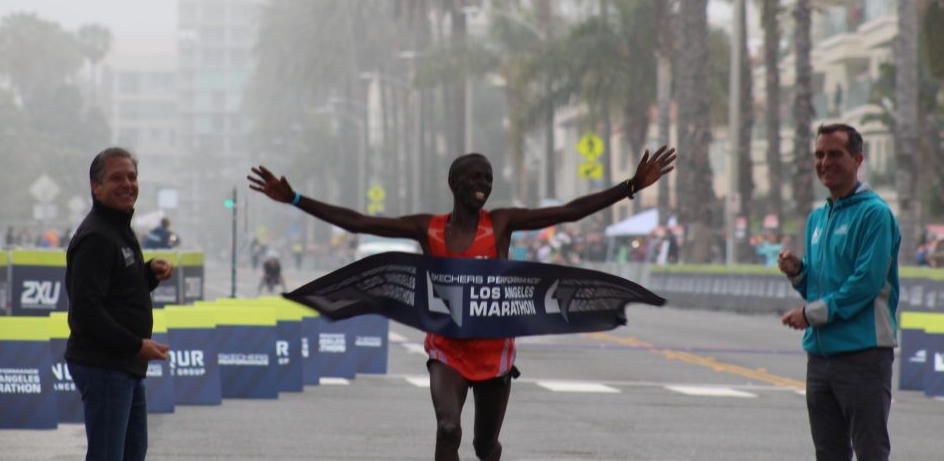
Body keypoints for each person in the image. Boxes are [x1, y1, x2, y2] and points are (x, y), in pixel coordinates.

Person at [249, 145, 676, 461]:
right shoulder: (427, 228)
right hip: (447, 349)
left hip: (496, 352)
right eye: (474, 178)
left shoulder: (503, 223)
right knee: (448, 428)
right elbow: (360, 221)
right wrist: (296, 200)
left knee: (484, 446)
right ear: (454, 184)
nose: (482, 186)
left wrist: (631, 186)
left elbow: (568, 212)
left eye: (487, 179)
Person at [777, 123, 900, 461]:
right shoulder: (818, 218)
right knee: (828, 452)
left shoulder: (875, 214)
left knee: (870, 451)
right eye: (819, 155)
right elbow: (818, 286)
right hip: (820, 357)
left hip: (863, 354)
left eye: (835, 154)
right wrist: (798, 274)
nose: (825, 162)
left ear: (857, 159)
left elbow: (865, 283)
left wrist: (809, 315)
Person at [65, 147, 174, 461]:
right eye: (117, 178)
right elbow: (86, 312)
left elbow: (117, 290)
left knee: (131, 453)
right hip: (106, 364)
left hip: (124, 364)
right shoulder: (97, 237)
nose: (127, 184)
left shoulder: (118, 228)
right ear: (96, 187)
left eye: (132, 176)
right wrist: (135, 345)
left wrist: (148, 273)